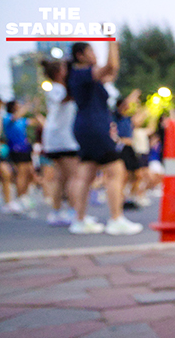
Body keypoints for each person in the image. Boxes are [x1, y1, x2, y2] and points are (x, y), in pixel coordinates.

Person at [67, 40, 142, 235]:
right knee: (115, 171)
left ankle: (79, 220)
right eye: (91, 51)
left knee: (86, 174)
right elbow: (112, 67)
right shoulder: (82, 73)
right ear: (80, 55)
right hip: (96, 127)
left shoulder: (78, 76)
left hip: (85, 127)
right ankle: (116, 219)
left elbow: (111, 72)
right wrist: (111, 40)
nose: (95, 54)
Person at [41, 59, 80, 226]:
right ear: (58, 72)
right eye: (65, 68)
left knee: (61, 177)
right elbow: (65, 98)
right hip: (61, 139)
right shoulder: (56, 89)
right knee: (74, 176)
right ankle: (74, 212)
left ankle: (57, 212)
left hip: (59, 138)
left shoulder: (59, 88)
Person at [2, 100, 38, 215]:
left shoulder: (22, 120)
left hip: (26, 148)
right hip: (15, 149)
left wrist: (36, 109)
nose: (20, 106)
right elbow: (16, 116)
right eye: (18, 104)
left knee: (28, 172)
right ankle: (19, 197)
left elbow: (35, 122)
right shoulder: (7, 118)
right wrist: (27, 106)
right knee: (21, 173)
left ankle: (23, 195)